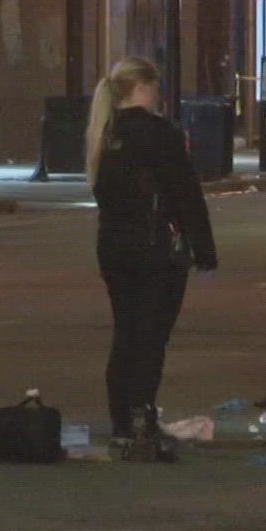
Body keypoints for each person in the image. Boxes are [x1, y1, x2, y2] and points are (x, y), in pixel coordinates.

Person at [86, 57, 218, 461]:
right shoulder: (159, 134)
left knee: (125, 333)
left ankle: (122, 425)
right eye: (155, 87)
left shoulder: (105, 136)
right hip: (154, 249)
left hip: (114, 248)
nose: (158, 95)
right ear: (142, 88)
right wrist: (204, 250)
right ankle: (143, 416)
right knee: (151, 338)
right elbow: (185, 194)